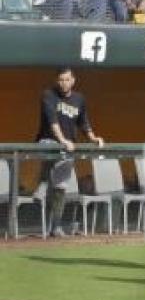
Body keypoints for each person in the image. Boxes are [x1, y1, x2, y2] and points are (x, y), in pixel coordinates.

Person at [35, 67, 105, 237]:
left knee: (60, 188)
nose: (64, 83)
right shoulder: (49, 95)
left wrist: (93, 137)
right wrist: (63, 140)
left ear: (73, 80)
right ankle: (42, 185)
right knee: (54, 151)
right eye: (60, 79)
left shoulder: (79, 99)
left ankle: (56, 227)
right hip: (48, 141)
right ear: (56, 80)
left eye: (67, 79)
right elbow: (52, 121)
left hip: (68, 147)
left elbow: (83, 121)